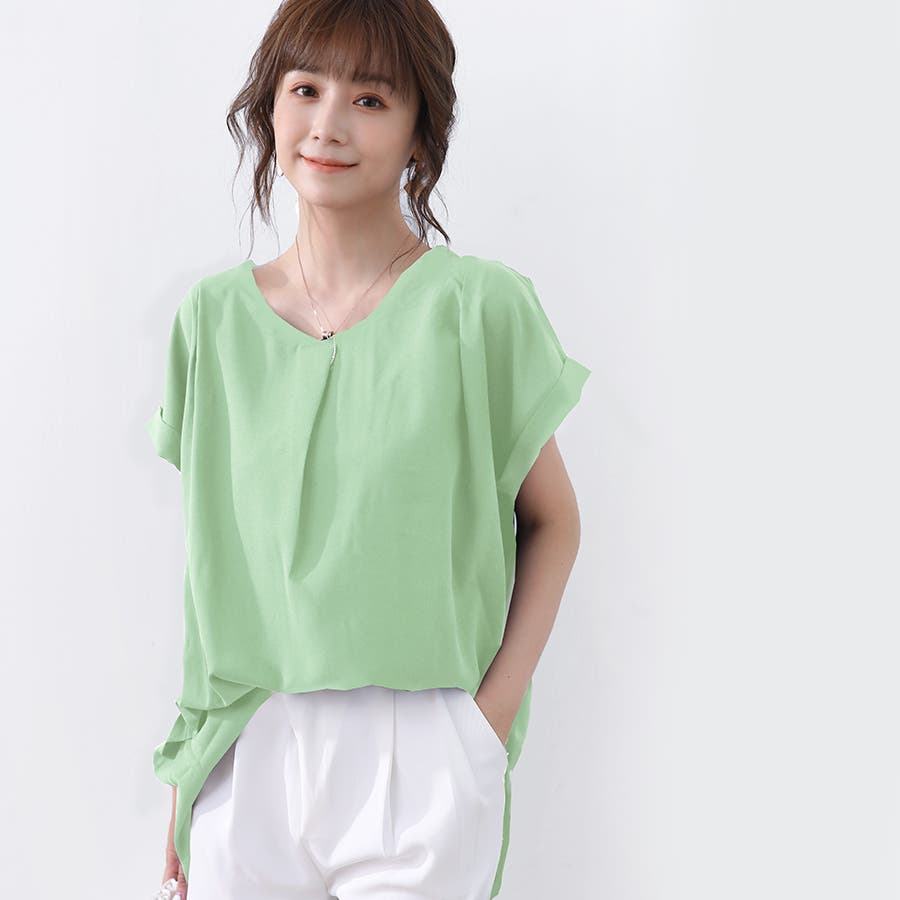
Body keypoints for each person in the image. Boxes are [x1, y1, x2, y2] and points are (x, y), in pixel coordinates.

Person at [146, 1, 591, 898]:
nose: (328, 124)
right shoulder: (212, 322)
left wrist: (482, 726)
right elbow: (213, 571)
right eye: (305, 88)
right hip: (248, 743)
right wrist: (192, 769)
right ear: (270, 107)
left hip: (421, 749)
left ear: (421, 132)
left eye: (371, 99)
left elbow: (554, 523)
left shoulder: (477, 310)